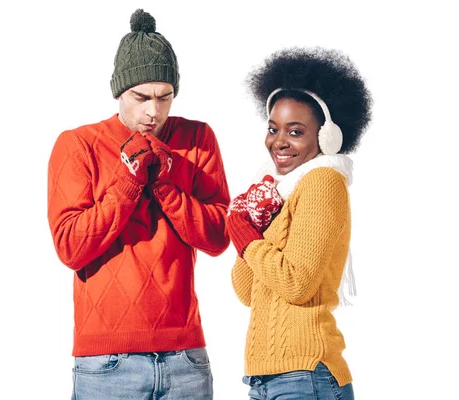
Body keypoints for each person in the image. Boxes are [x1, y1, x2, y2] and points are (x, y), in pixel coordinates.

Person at [47, 9, 230, 399]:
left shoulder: (197, 138)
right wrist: (130, 181)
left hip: (186, 357)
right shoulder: (77, 144)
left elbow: (217, 238)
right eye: (141, 97)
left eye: (165, 97)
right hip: (107, 363)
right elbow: (70, 248)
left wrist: (165, 184)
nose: (153, 111)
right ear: (119, 92)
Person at [227, 47, 372, 399]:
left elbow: (297, 284)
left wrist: (249, 241)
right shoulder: (278, 194)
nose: (279, 142)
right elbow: (247, 292)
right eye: (273, 129)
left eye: (295, 132)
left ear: (326, 137)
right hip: (265, 379)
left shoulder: (323, 182)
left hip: (307, 377)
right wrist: (255, 225)